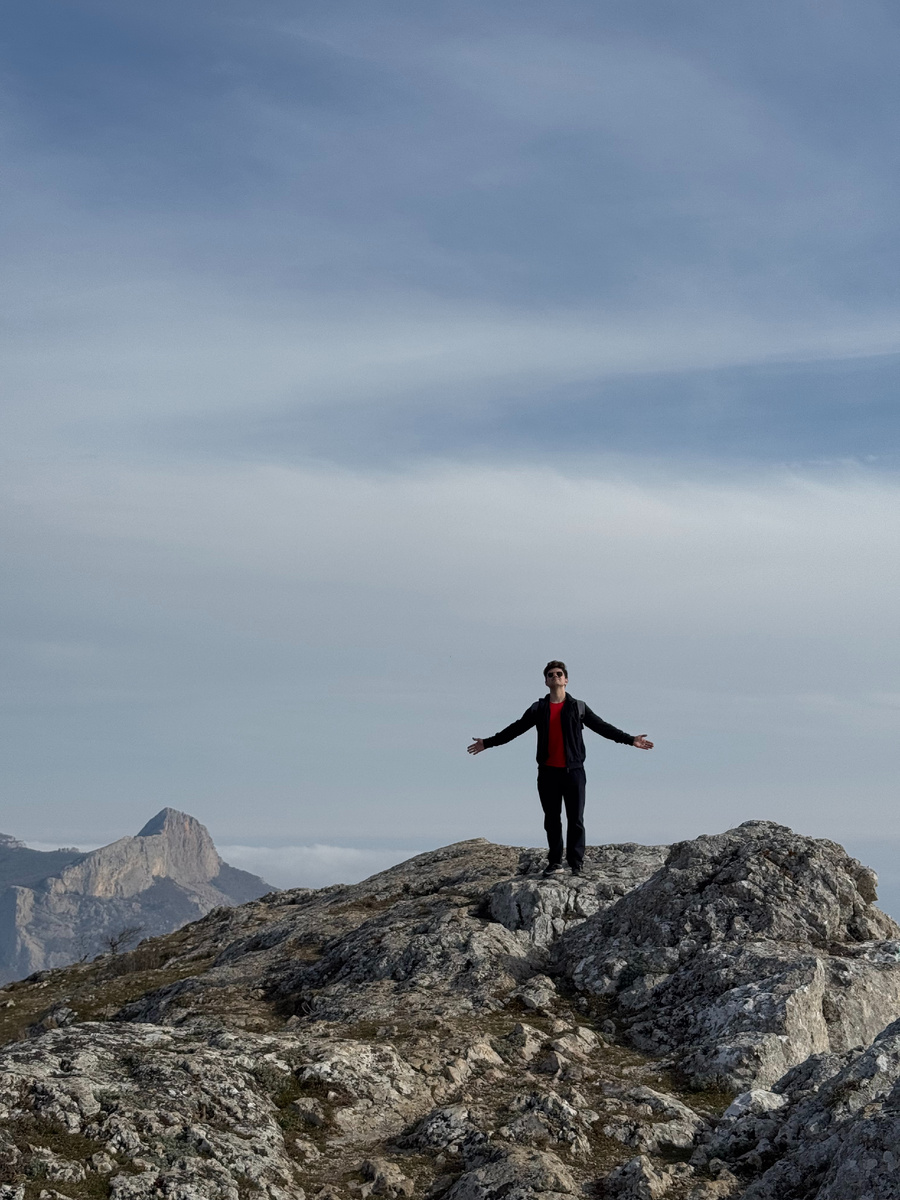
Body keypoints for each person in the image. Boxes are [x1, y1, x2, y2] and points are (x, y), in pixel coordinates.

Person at [468, 661, 653, 877]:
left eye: (559, 674)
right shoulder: (538, 709)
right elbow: (515, 729)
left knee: (575, 819)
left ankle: (576, 863)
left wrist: (630, 740)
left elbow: (603, 728)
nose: (555, 676)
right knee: (552, 819)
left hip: (573, 771)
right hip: (547, 773)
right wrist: (487, 743)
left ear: (566, 679)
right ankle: (554, 862)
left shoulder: (578, 707)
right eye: (550, 674)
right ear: (546, 681)